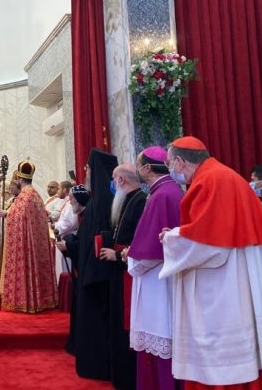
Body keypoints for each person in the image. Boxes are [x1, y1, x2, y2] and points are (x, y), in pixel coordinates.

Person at [160, 136, 262, 389]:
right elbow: (211, 230)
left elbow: (206, 246)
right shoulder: (223, 175)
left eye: (170, 163)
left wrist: (170, 238)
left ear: (181, 161)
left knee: (222, 352)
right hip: (238, 269)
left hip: (223, 280)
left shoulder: (209, 181)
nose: (171, 169)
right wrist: (181, 234)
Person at [127, 146, 183, 390]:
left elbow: (150, 251)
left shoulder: (161, 196)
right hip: (165, 275)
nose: (136, 169)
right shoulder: (169, 190)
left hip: (158, 281)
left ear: (147, 168)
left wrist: (131, 259)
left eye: (138, 164)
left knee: (160, 338)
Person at [61, 149, 118, 381]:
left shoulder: (104, 203)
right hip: (90, 271)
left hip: (98, 277)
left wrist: (73, 247)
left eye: (88, 169)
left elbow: (101, 240)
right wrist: (73, 246)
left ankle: (98, 366)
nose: (85, 173)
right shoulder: (96, 201)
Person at [99, 163, 146, 390]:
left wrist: (118, 255)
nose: (112, 183)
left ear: (121, 180)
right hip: (121, 270)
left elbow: (141, 239)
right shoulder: (129, 200)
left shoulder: (141, 201)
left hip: (131, 271)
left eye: (114, 178)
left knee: (128, 323)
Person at [0, 160, 57, 313]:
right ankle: (41, 299)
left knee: (26, 267)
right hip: (37, 241)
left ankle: (26, 301)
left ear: (19, 179)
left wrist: (4, 214)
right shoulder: (36, 194)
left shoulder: (24, 196)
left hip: (25, 243)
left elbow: (16, 216)